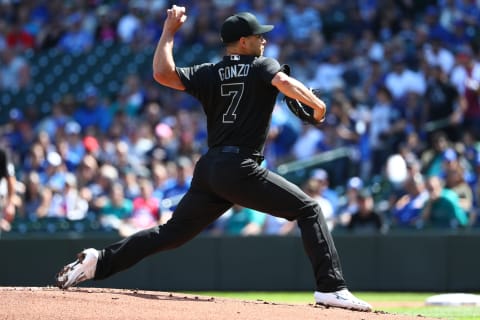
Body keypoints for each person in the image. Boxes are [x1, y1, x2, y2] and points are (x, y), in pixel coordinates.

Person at [56, 6, 371, 312]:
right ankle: (331, 289)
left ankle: (100, 261)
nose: (264, 40)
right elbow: (285, 83)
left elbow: (161, 73)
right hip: (240, 167)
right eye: (259, 36)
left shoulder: (210, 72)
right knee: (309, 208)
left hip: (210, 170)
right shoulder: (262, 65)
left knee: (170, 234)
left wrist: (168, 31)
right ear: (244, 42)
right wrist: (318, 105)